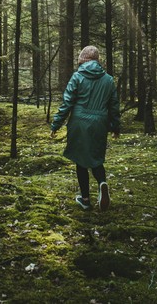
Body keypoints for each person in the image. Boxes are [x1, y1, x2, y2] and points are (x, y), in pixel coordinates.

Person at [50, 46, 120, 211]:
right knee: (96, 157)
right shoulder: (108, 80)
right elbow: (114, 107)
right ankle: (102, 183)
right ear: (97, 60)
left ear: (83, 60)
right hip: (99, 124)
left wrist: (56, 124)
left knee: (81, 161)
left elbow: (67, 103)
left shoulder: (77, 77)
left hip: (79, 123)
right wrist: (115, 127)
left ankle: (86, 199)